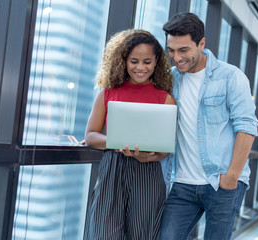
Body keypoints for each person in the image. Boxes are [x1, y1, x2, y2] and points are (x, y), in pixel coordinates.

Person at [159, 12, 258, 240]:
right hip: (182, 182)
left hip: (221, 181)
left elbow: (247, 126)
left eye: (183, 50)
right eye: (171, 50)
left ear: (201, 43)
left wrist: (232, 176)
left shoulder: (230, 76)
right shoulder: (170, 79)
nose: (176, 57)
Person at [83, 29, 176, 240]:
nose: (140, 67)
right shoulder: (107, 93)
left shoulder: (165, 99)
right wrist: (115, 142)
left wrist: (149, 156)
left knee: (142, 234)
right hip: (112, 170)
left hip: (148, 172)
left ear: (156, 63)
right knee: (103, 233)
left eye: (147, 62)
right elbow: (90, 136)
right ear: (123, 60)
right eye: (134, 61)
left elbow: (165, 150)